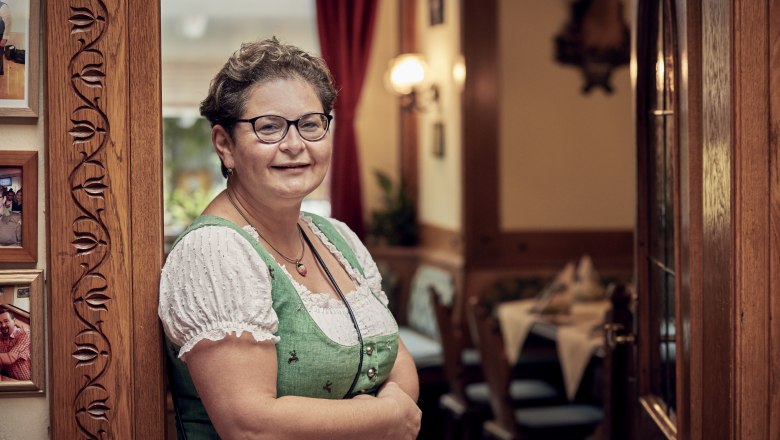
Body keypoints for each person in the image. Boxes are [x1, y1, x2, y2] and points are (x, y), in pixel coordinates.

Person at [158, 37, 421, 439]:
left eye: (311, 124)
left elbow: (396, 363)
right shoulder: (214, 253)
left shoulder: (338, 238)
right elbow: (250, 426)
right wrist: (386, 418)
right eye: (269, 127)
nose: (295, 145)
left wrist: (390, 409)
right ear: (225, 145)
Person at [0, 306, 31, 381]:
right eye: (0, 323)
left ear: (14, 321)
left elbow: (10, 358)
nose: (3, 325)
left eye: (6, 321)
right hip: (12, 381)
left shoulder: (25, 334)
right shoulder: (0, 338)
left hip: (29, 383)